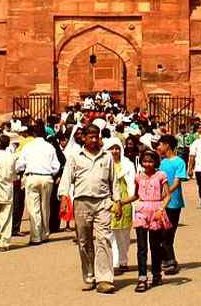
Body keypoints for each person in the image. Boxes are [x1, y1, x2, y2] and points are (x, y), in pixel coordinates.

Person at [59, 126, 116, 294]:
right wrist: (64, 197)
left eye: (96, 137)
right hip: (82, 202)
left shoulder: (107, 156)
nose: (94, 140)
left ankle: (104, 279)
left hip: (103, 202)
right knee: (84, 241)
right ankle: (90, 276)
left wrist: (118, 201)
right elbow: (66, 178)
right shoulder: (75, 156)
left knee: (103, 239)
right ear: (83, 138)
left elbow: (113, 180)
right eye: (91, 137)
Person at [119, 149, 169, 292]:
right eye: (145, 161)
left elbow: (167, 196)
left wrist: (161, 209)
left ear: (155, 162)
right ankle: (142, 277)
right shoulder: (138, 177)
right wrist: (121, 202)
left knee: (155, 245)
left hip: (156, 211)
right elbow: (136, 195)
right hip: (141, 211)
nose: (147, 164)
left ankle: (156, 274)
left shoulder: (161, 175)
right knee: (141, 247)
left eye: (150, 161)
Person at [15, 124, 60, 245]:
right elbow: (56, 166)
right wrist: (50, 173)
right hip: (46, 177)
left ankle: (36, 236)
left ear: (33, 134)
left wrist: (21, 170)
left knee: (33, 208)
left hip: (32, 177)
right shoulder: (50, 147)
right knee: (45, 207)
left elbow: (20, 165)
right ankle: (45, 234)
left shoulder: (28, 147)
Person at [156, 135, 188, 275]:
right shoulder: (162, 162)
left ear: (167, 145)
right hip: (160, 203)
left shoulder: (179, 162)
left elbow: (177, 182)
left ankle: (171, 262)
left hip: (174, 203)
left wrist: (166, 193)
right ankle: (166, 260)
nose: (158, 147)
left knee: (168, 234)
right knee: (160, 234)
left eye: (160, 144)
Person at [106, 138, 136, 274]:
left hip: (125, 200)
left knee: (124, 234)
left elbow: (132, 184)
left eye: (117, 148)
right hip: (109, 200)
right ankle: (115, 262)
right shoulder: (103, 164)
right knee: (111, 233)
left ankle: (123, 260)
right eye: (111, 148)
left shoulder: (127, 164)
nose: (114, 151)